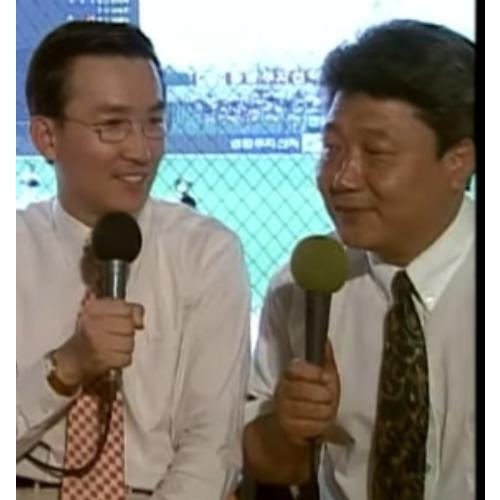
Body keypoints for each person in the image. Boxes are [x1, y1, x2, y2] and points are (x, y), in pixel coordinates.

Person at [16, 21, 251, 500]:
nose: (141, 150)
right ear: (46, 137)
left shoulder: (207, 254)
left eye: (154, 123)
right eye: (112, 126)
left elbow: (211, 450)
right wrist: (67, 366)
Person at [244, 19, 475, 500]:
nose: (341, 178)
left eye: (376, 153)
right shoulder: (302, 288)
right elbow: (271, 465)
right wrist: (287, 428)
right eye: (332, 149)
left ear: (458, 162)